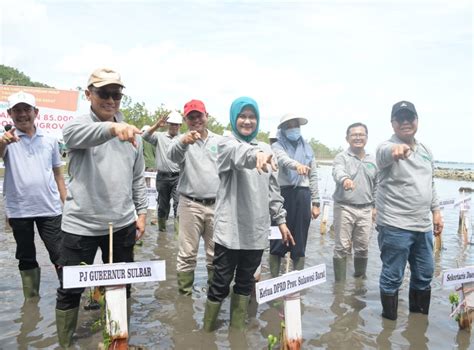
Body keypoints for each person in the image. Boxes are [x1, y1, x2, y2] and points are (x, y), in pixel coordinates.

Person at [55, 68, 148, 347]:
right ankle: (65, 343)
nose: (110, 100)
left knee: (119, 288)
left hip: (120, 226)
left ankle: (117, 340)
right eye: (103, 93)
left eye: (116, 94)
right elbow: (74, 137)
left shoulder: (134, 135)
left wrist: (141, 214)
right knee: (70, 290)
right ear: (88, 95)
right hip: (79, 226)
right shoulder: (78, 126)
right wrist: (112, 128)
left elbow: (137, 179)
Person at [203, 97, 294, 331]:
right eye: (242, 116)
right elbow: (239, 153)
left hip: (256, 232)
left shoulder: (267, 148)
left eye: (252, 116)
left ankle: (236, 334)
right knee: (220, 284)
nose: (247, 121)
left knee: (245, 284)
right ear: (234, 118)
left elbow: (274, 191)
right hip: (229, 231)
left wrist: (281, 221)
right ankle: (206, 333)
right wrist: (256, 156)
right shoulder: (225, 143)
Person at [376, 100, 443, 320]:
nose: (406, 122)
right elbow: (385, 153)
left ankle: (417, 325)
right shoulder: (386, 147)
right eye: (400, 118)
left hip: (422, 226)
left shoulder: (425, 150)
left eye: (410, 117)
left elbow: (430, 183)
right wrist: (396, 150)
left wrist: (436, 211)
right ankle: (388, 325)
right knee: (392, 277)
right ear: (393, 123)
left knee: (425, 274)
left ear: (416, 121)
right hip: (395, 225)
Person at [1, 91, 66, 300]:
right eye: (17, 110)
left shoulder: (50, 140)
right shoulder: (7, 140)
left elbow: (58, 175)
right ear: (9, 113)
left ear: (35, 112)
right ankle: (31, 302)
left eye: (26, 109)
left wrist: (68, 205)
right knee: (26, 255)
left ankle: (69, 293)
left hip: (50, 208)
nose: (22, 114)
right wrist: (3, 143)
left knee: (59, 253)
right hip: (19, 210)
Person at [167, 100, 220, 295]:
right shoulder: (180, 141)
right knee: (187, 254)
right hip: (190, 204)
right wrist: (184, 142)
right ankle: (184, 298)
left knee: (215, 254)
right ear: (185, 120)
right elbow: (171, 156)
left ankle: (213, 295)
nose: (196, 120)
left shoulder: (219, 141)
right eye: (191, 117)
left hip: (216, 206)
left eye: (199, 115)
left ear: (207, 116)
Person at [269, 113, 320, 276]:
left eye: (295, 125)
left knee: (299, 242)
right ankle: (274, 285)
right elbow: (283, 160)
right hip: (283, 195)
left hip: (303, 196)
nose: (293, 129)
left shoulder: (308, 149)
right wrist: (296, 165)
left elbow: (313, 176)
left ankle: (296, 286)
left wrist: (316, 202)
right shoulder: (277, 146)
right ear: (283, 129)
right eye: (289, 126)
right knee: (277, 240)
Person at [332, 122, 377, 281]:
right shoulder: (341, 157)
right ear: (347, 138)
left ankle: (359, 283)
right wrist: (345, 180)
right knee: (342, 248)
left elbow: (377, 184)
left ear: (366, 137)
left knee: (363, 248)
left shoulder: (373, 159)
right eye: (354, 135)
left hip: (366, 209)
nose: (358, 137)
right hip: (344, 208)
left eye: (361, 134)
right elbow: (338, 171)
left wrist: (375, 206)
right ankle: (339, 287)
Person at [142, 111, 182, 233]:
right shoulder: (159, 136)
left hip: (178, 177)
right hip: (163, 177)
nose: (174, 126)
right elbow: (144, 136)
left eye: (176, 124)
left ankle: (177, 234)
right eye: (172, 124)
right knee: (163, 205)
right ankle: (162, 231)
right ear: (168, 124)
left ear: (180, 126)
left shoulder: (183, 138)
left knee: (178, 204)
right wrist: (157, 125)